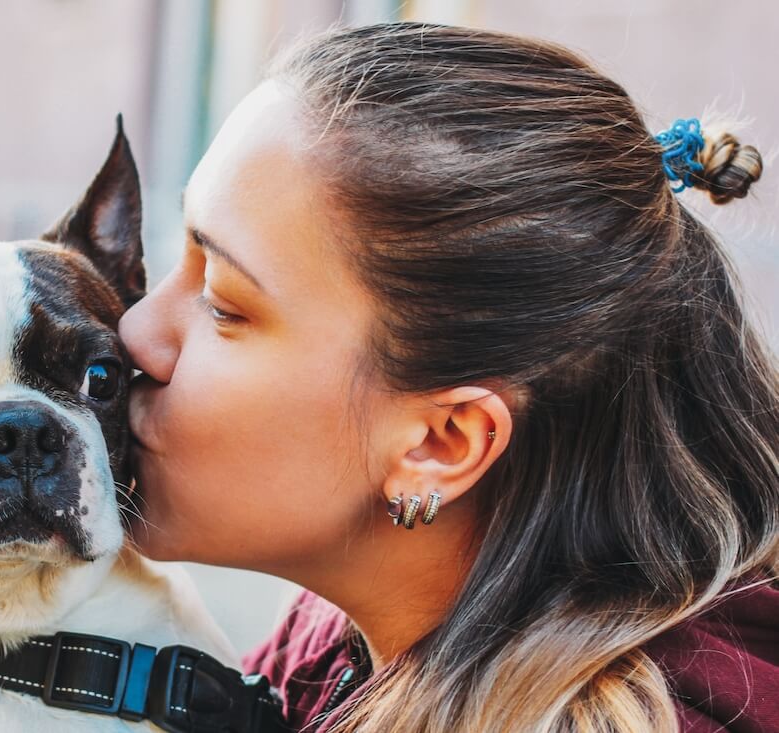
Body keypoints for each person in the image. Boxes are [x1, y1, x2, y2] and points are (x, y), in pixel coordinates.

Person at [118, 22, 778, 733]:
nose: (135, 332)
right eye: (174, 256)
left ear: (439, 443)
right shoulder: (334, 642)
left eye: (221, 302)